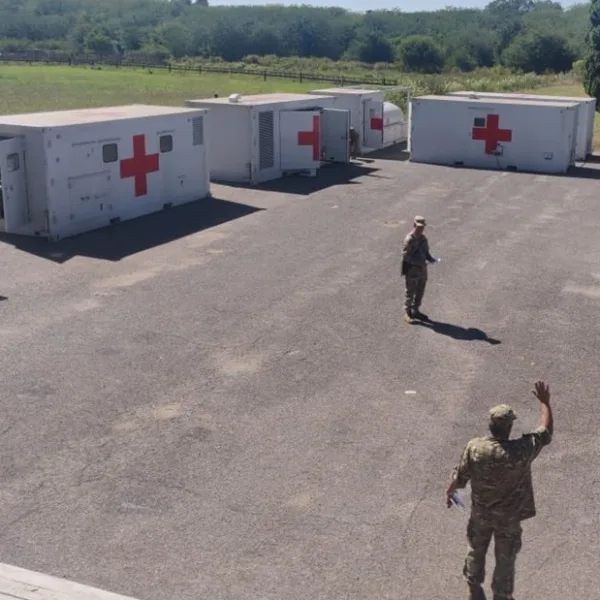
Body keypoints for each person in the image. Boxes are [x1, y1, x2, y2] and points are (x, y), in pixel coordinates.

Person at [445, 381, 554, 600]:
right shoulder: (520, 451)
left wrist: (449, 492)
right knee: (506, 557)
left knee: (476, 549)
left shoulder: (475, 447)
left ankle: (473, 587)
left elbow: (460, 477)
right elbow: (545, 433)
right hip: (509, 518)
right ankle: (502, 594)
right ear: (509, 427)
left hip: (481, 514)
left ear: (491, 425)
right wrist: (545, 403)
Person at [401, 215, 437, 323]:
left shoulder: (423, 238)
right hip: (412, 269)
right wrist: (416, 263)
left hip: (422, 269)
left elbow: (426, 252)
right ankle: (408, 312)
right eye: (418, 227)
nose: (420, 229)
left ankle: (416, 310)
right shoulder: (409, 239)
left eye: (422, 227)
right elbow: (405, 256)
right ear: (414, 225)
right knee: (410, 291)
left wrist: (431, 259)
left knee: (420, 290)